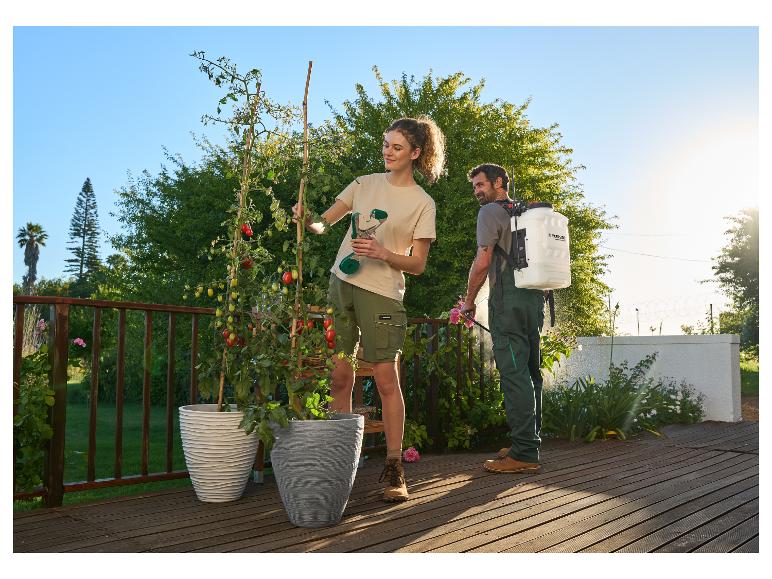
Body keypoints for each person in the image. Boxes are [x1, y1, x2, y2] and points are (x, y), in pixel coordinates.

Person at [293, 116, 446, 501]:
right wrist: (307, 218)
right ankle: (340, 458)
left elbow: (419, 264)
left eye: (396, 147)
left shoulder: (422, 203)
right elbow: (324, 223)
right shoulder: (364, 184)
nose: (387, 152)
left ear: (415, 153)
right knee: (340, 377)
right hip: (341, 286)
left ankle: (394, 467)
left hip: (382, 295)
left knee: (385, 379)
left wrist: (382, 253)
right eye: (385, 144)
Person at [460, 163, 544, 474]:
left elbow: (483, 262)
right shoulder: (526, 211)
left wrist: (469, 301)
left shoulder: (490, 213)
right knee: (531, 372)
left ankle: (524, 453)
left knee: (513, 373)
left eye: (480, 184)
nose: (477, 191)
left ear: (499, 182)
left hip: (508, 299)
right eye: (475, 187)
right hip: (534, 297)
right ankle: (528, 442)